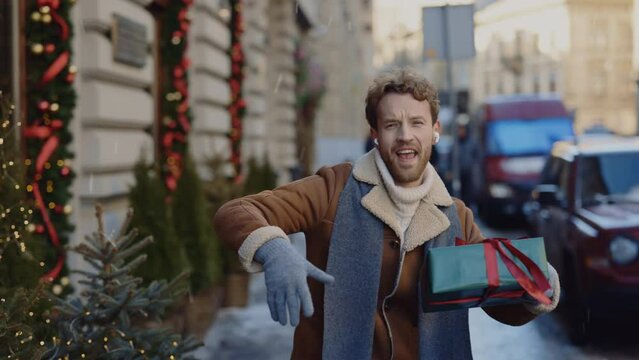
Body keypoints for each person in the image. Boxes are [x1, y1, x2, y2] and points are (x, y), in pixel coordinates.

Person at [214, 69, 560, 360]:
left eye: (417, 123)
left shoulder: (456, 217)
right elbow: (237, 211)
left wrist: (536, 284)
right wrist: (274, 250)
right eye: (392, 124)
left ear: (435, 130)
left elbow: (498, 302)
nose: (405, 136)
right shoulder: (333, 189)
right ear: (375, 134)